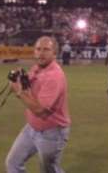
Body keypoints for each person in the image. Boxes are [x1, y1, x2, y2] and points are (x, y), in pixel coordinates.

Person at [5, 36, 70, 173]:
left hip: (52, 132)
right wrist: (20, 77)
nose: (41, 53)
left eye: (46, 49)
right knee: (13, 163)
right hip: (32, 128)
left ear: (54, 53)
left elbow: (40, 110)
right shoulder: (37, 68)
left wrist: (18, 91)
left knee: (49, 171)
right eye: (38, 49)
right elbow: (28, 87)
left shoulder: (54, 76)